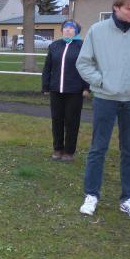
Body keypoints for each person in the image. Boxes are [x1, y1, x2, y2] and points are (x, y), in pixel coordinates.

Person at [76, 0, 130, 219]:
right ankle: (91, 194)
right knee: (98, 148)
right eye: (129, 8)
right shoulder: (97, 31)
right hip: (105, 98)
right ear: (116, 7)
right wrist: (101, 81)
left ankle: (128, 198)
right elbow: (84, 63)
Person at [42, 20, 89, 162]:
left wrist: (86, 87)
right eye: (65, 28)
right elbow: (47, 67)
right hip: (56, 90)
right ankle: (57, 149)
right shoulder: (55, 46)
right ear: (62, 30)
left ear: (76, 31)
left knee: (72, 121)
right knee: (57, 120)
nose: (68, 30)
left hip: (75, 91)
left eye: (71, 28)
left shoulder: (82, 46)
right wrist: (46, 86)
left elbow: (87, 67)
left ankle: (69, 151)